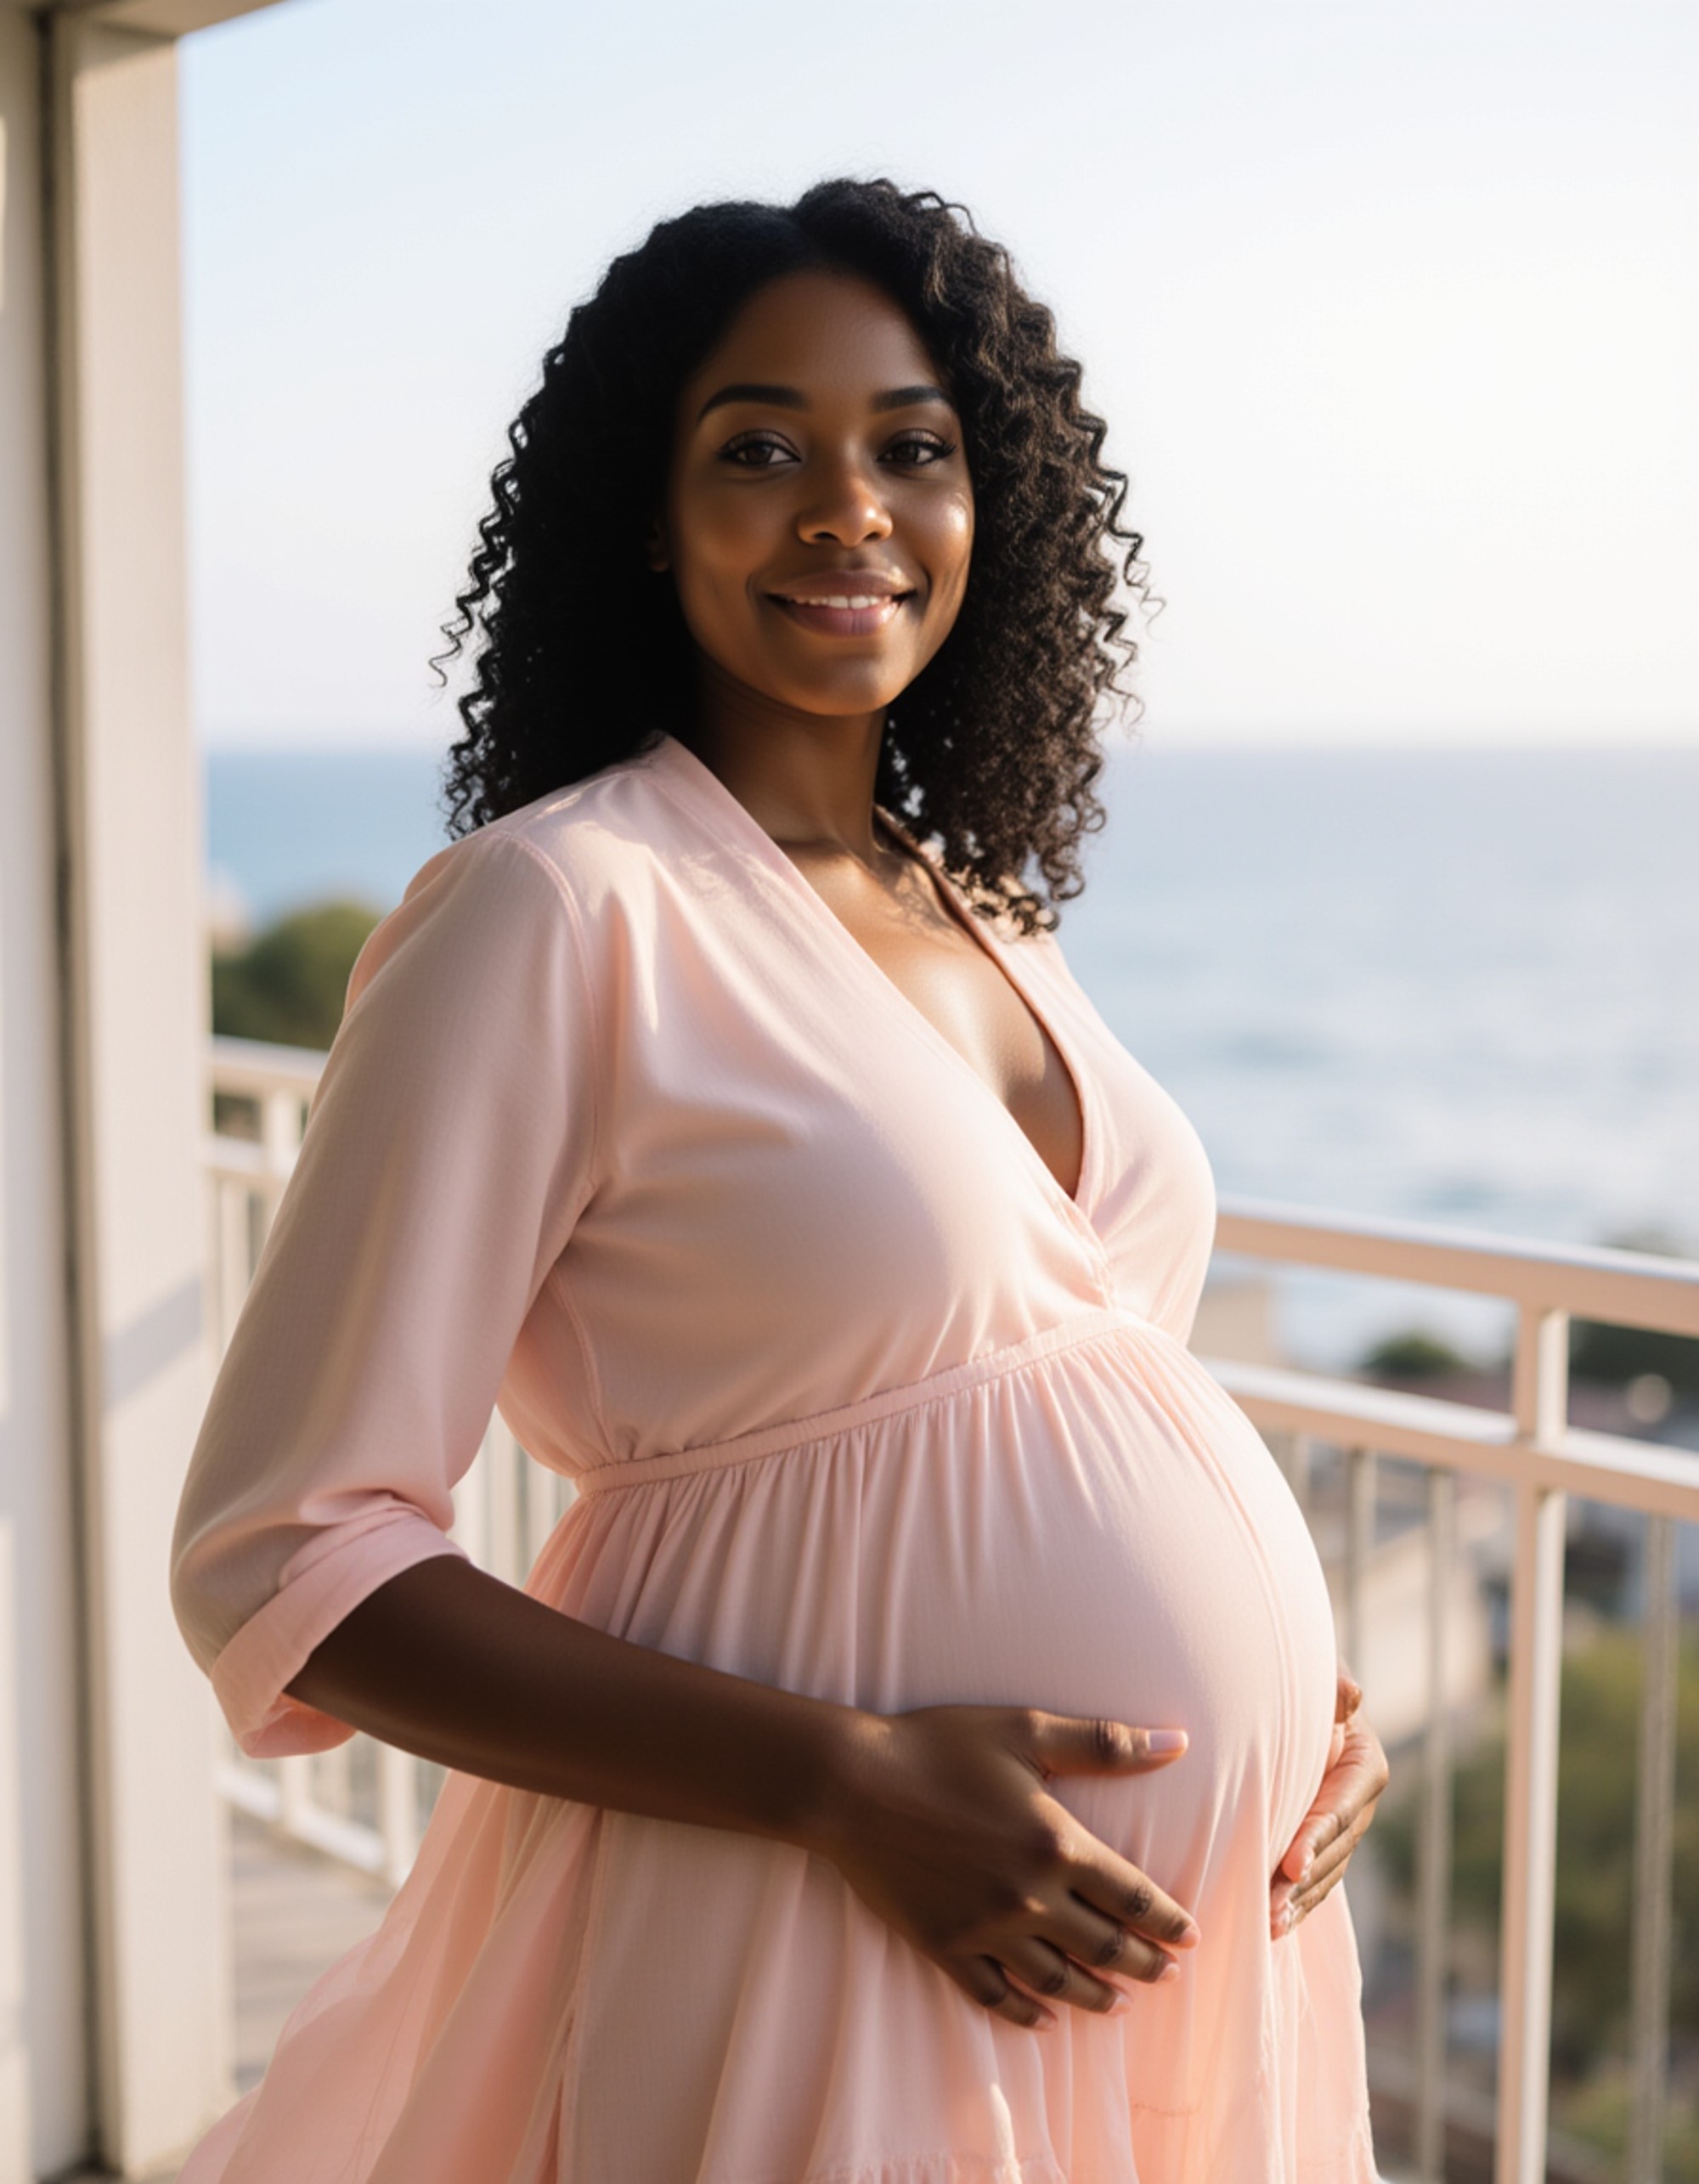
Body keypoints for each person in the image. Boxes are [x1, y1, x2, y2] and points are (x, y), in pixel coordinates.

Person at [170, 177, 1389, 2183]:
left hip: (1165, 1944)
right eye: (760, 449)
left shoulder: (983, 911)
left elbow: (1065, 1394)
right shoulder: (555, 910)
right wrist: (844, 1780)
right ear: (649, 515)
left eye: (912, 447)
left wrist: (1297, 1696)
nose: (849, 509)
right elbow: (284, 1552)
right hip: (820, 1911)